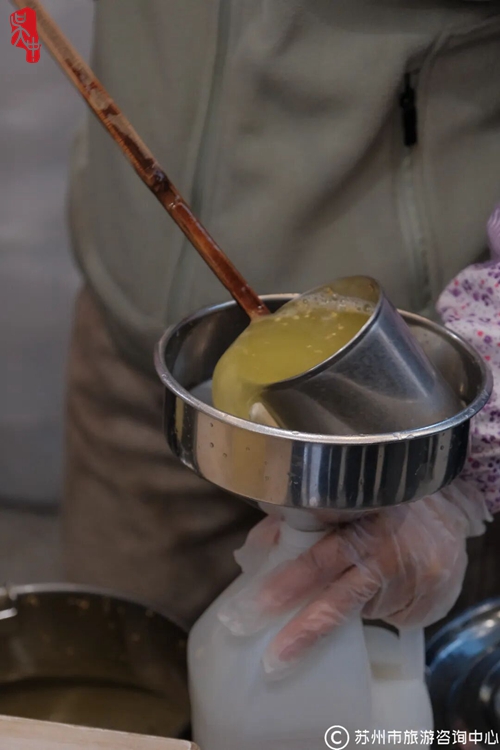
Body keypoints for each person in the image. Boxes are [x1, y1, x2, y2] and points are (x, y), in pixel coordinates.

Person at [64, 0, 500, 661]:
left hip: (402, 408)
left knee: (378, 690)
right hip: (146, 357)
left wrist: (461, 472)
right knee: (115, 672)